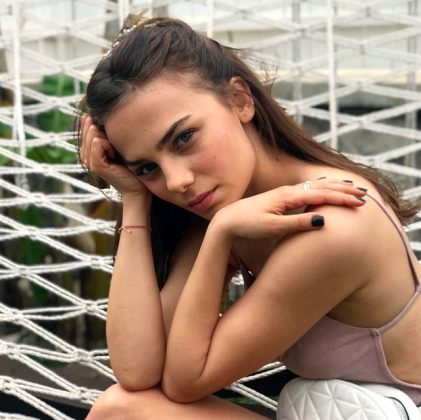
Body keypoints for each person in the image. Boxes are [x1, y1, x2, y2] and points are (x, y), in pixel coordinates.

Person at [78, 13, 421, 419]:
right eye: (147, 167)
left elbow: (186, 380)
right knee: (121, 408)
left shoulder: (334, 224)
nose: (176, 181)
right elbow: (138, 370)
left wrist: (220, 235)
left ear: (240, 100)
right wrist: (134, 197)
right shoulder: (226, 207)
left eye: (184, 138)